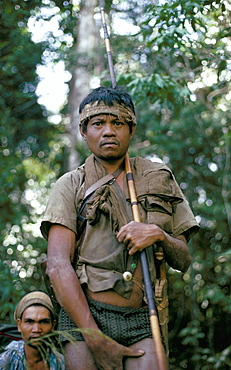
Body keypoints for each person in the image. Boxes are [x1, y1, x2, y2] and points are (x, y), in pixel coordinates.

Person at [40, 86, 199, 370]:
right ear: (83, 131)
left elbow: (184, 259)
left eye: (118, 123)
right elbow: (57, 266)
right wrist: (94, 337)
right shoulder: (70, 185)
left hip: (143, 316)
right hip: (83, 318)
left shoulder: (157, 178)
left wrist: (158, 234)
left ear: (132, 129)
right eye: (98, 123)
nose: (109, 131)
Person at [0, 291, 65, 370]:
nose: (36, 329)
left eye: (44, 322)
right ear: (19, 325)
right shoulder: (6, 360)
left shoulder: (61, 363)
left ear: (53, 326)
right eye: (29, 322)